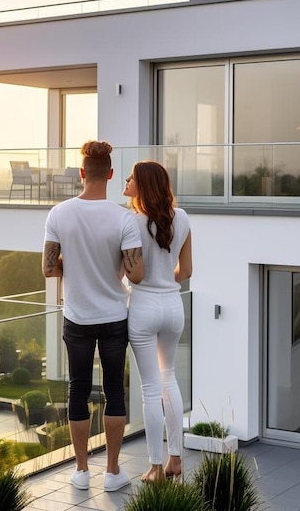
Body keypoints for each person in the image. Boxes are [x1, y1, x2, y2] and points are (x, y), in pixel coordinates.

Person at [42, 140, 144, 492]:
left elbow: (47, 269)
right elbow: (137, 275)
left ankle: (82, 471)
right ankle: (113, 473)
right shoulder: (125, 218)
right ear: (111, 174)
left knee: (78, 390)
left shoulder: (58, 214)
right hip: (115, 316)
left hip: (77, 318)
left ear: (82, 172)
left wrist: (73, 263)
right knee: (114, 390)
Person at [123, 160, 192, 483]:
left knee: (150, 388)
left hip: (143, 305)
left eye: (131, 178)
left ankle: (154, 466)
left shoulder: (131, 222)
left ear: (143, 185)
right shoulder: (183, 218)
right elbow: (186, 271)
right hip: (173, 305)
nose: (126, 181)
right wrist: (167, 280)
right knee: (170, 379)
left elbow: (128, 269)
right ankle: (175, 459)